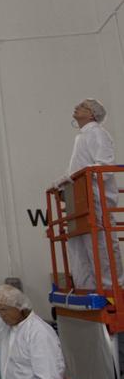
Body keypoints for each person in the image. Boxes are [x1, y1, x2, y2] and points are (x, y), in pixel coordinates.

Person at [62, 99, 121, 290]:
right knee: (79, 243)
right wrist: (67, 181)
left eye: (82, 106)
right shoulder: (82, 136)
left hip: (95, 197)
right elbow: (80, 166)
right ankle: (87, 287)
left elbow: (105, 166)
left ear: (92, 114)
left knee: (100, 243)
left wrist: (79, 178)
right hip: (81, 196)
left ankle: (110, 287)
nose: (76, 107)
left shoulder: (97, 133)